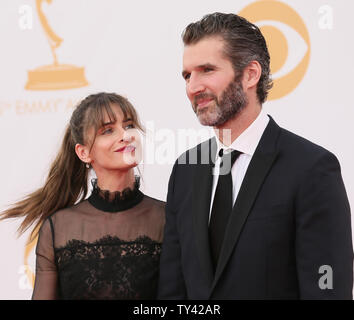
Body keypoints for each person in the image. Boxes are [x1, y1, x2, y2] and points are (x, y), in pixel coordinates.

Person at [158, 12, 353, 299]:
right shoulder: (186, 169)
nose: (192, 87)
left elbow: (327, 290)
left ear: (250, 74)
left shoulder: (311, 169)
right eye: (187, 75)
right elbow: (173, 291)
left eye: (207, 70)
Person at [0, 92, 165, 299]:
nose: (125, 135)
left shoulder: (168, 218)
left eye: (129, 125)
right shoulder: (57, 228)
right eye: (108, 130)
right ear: (84, 153)